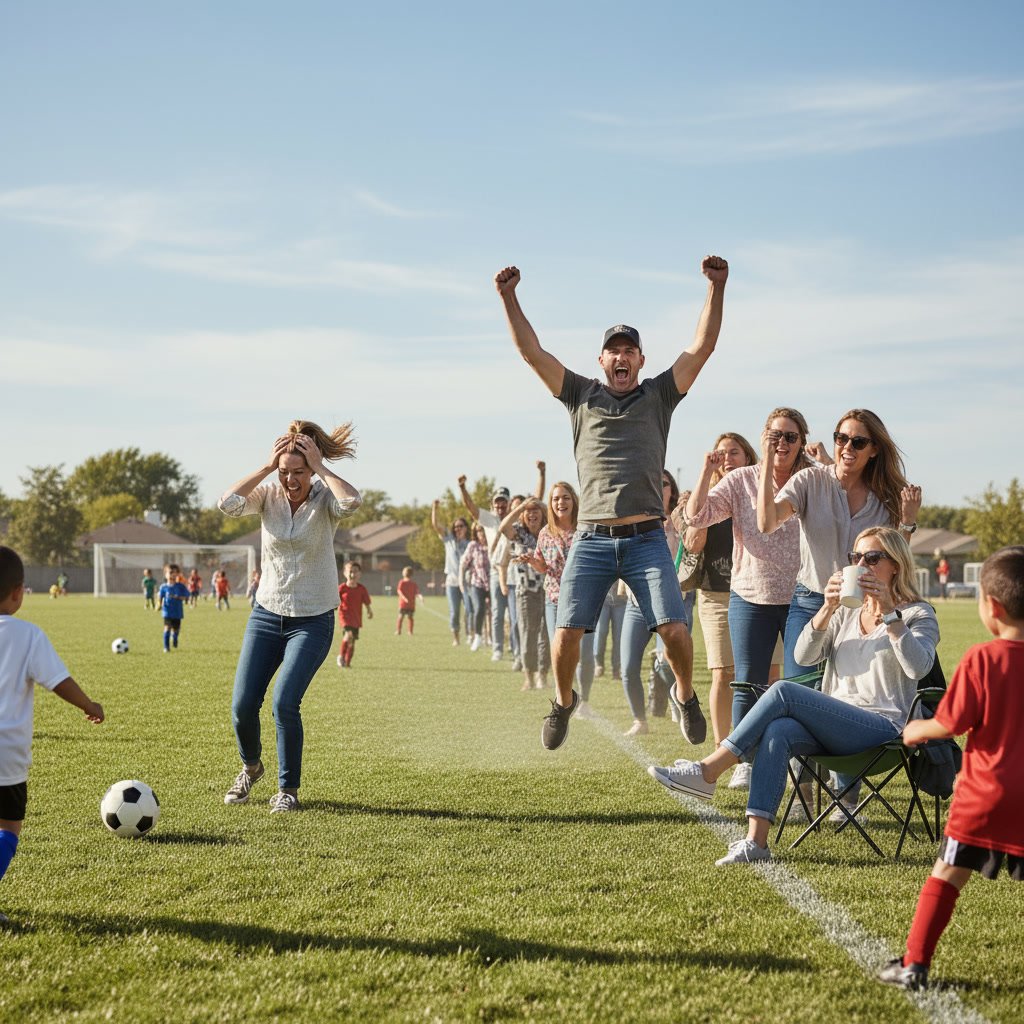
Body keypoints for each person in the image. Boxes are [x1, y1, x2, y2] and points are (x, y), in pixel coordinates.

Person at [495, 255, 727, 750]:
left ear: (640, 360)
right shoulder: (579, 394)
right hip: (592, 539)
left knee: (675, 630)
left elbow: (702, 347)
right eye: (612, 351)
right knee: (566, 636)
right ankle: (562, 702)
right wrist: (509, 298)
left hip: (646, 539)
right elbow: (531, 353)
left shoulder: (660, 395)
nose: (621, 357)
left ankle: (684, 695)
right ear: (601, 361)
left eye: (630, 351)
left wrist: (715, 287)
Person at [648, 527, 938, 865]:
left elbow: (919, 667)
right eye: (854, 558)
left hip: (883, 729)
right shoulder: (846, 612)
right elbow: (803, 656)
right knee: (779, 731)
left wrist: (890, 614)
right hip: (835, 723)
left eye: (871, 558)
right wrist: (827, 610)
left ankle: (709, 771)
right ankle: (755, 843)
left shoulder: (919, 614)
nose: (861, 564)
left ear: (896, 565)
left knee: (783, 690)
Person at [879, 545, 1024, 991]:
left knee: (946, 875)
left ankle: (915, 965)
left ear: (991, 607)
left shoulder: (983, 659)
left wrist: (916, 730)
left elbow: (952, 722)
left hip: (984, 798)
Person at [218, 420, 360, 813]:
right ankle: (251, 768)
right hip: (267, 614)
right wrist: (266, 469)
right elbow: (226, 504)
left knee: (284, 702)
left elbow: (351, 503)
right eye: (285, 472)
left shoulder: (324, 498)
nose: (291, 480)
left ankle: (288, 790)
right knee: (243, 705)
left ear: (311, 469)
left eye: (299, 472)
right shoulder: (267, 495)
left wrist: (324, 469)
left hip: (312, 620)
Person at [684, 410, 812, 770]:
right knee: (747, 683)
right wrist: (707, 472)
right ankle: (745, 763)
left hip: (801, 597)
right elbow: (697, 516)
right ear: (762, 438)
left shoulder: (812, 479)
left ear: (801, 441)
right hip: (750, 596)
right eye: (774, 436)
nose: (781, 443)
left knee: (802, 684)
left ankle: (802, 767)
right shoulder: (742, 480)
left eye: (790, 437)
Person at [757, 408, 923, 679]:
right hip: (812, 603)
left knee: (851, 693)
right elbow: (767, 523)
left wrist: (906, 522)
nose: (847, 447)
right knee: (797, 687)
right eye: (840, 438)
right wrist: (766, 461)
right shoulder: (809, 480)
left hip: (863, 609)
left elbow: (893, 559)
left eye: (858, 442)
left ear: (874, 450)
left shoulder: (887, 497)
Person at [0, 546, 104, 923]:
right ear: (18, 592)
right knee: (9, 826)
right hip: (7, 756)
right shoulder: (27, 635)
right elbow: (57, 681)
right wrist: (88, 705)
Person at [678, 433, 759, 750]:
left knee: (765, 673)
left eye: (734, 452)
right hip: (716, 595)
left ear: (748, 457)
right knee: (723, 672)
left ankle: (754, 745)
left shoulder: (759, 494)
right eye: (721, 453)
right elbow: (693, 543)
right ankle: (723, 748)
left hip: (757, 593)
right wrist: (707, 481)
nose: (726, 458)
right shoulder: (706, 498)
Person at [619, 470, 693, 736]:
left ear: (671, 489)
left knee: (666, 661)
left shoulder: (679, 520)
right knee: (627, 667)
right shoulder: (633, 519)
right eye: (652, 482)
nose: (658, 488)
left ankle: (679, 698)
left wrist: (686, 515)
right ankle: (640, 720)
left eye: (663, 484)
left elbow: (693, 550)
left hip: (673, 602)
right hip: (636, 604)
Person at [458, 465, 545, 663]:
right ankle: (498, 648)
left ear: (508, 503)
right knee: (497, 613)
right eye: (497, 503)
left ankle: (518, 652)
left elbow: (536, 501)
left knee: (516, 617)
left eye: (503, 502)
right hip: (496, 571)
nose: (500, 506)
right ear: (492, 504)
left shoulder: (516, 517)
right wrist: (463, 488)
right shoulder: (488, 519)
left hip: (519, 570)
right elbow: (470, 507)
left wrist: (541, 474)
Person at [529, 482, 596, 710]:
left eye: (565, 498)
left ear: (574, 501)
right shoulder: (545, 533)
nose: (561, 503)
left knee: (585, 654)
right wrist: (533, 561)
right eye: (556, 499)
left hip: (583, 598)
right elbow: (543, 566)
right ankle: (563, 698)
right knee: (559, 651)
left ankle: (584, 699)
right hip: (554, 599)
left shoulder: (585, 529)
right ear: (551, 504)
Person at [498, 498, 550, 691]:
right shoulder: (519, 533)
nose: (532, 514)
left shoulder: (548, 531)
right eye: (528, 512)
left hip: (549, 589)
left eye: (536, 511)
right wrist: (521, 506)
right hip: (526, 591)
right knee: (528, 633)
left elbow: (560, 520)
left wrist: (543, 506)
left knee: (546, 634)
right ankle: (529, 675)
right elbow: (503, 527)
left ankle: (542, 675)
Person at [431, 503, 470, 646]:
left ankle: (470, 635)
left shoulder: (470, 543)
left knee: (469, 611)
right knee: (454, 612)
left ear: (466, 528)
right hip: (452, 582)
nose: (458, 529)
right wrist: (435, 508)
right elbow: (436, 525)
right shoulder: (449, 540)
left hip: (466, 582)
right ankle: (456, 638)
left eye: (461, 526)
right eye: (456, 527)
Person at [459, 524, 491, 651]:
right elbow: (463, 564)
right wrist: (461, 582)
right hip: (477, 583)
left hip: (492, 583)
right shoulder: (473, 546)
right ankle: (478, 636)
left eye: (483, 530)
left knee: (493, 612)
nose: (481, 533)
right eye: (478, 531)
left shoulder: (492, 543)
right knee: (479, 609)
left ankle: (491, 638)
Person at [337, 561, 373, 667]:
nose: (353, 574)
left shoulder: (362, 589)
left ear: (360, 574)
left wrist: (369, 611)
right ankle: (341, 657)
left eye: (356, 572)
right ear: (344, 573)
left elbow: (366, 602)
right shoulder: (342, 588)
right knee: (348, 635)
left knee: (352, 641)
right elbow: (335, 601)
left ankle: (347, 663)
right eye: (350, 571)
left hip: (356, 619)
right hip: (345, 617)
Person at [158, 563, 190, 652]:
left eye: (176, 572)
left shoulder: (180, 586)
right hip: (167, 611)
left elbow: (186, 596)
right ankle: (166, 647)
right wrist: (159, 605)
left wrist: (180, 598)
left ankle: (175, 637)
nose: (173, 574)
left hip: (177, 612)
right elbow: (160, 597)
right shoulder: (163, 587)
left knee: (177, 629)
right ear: (166, 574)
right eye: (171, 572)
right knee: (167, 627)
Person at [396, 566, 420, 635]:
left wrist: (419, 596)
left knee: (403, 617)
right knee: (408, 618)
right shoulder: (403, 582)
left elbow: (399, 591)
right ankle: (406, 631)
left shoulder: (408, 583)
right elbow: (399, 591)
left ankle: (403, 631)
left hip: (405, 604)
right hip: (408, 604)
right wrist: (404, 597)